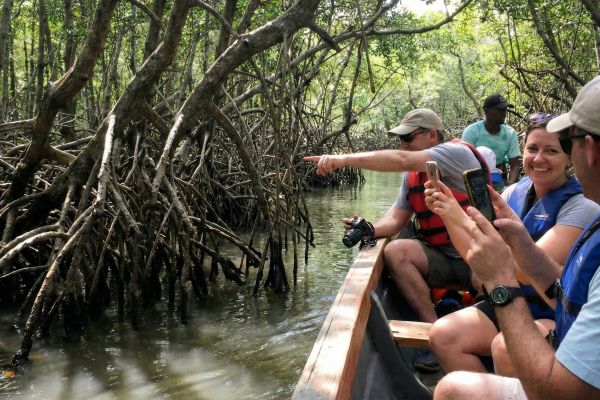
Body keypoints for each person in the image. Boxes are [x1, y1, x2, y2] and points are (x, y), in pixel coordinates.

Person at [432, 76, 600, 400]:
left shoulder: (581, 207)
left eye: (563, 145)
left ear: (587, 150)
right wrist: (523, 245)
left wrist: (500, 281)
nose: (539, 158)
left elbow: (560, 394)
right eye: (532, 149)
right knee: (448, 346)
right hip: (556, 319)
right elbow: (564, 293)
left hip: (548, 333)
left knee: (455, 388)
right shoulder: (516, 193)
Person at [304, 108, 488, 371]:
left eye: (408, 138)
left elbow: (401, 158)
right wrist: (368, 229)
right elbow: (396, 219)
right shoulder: (412, 173)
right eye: (400, 140)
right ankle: (433, 332)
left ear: (432, 135)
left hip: (476, 256)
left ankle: (481, 337)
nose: (403, 145)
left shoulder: (455, 154)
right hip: (442, 257)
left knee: (488, 278)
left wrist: (343, 159)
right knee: (396, 252)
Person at [462, 94, 521, 185]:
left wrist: (511, 184)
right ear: (486, 111)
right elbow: (464, 161)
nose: (504, 113)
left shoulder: (510, 133)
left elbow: (515, 163)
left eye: (505, 110)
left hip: (497, 175)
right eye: (499, 110)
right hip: (475, 174)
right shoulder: (472, 131)